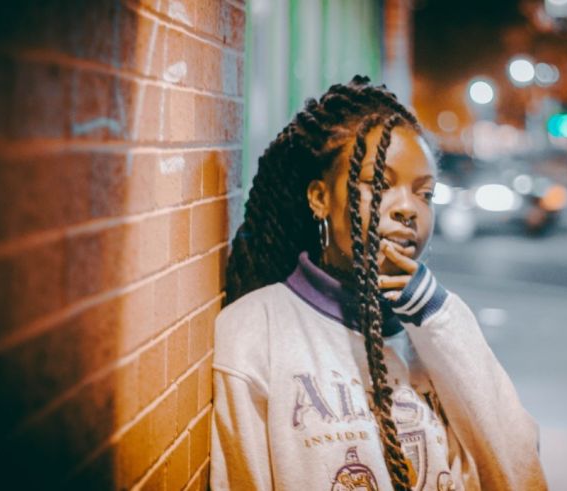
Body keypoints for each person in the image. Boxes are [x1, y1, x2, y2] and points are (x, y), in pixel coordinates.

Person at [211, 75, 547, 490]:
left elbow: (521, 473)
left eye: (424, 193)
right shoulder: (255, 331)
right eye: (380, 184)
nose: (409, 208)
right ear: (319, 197)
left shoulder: (436, 331)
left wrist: (436, 314)